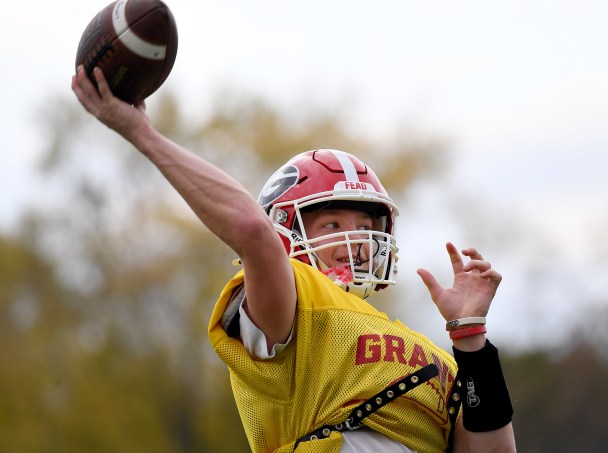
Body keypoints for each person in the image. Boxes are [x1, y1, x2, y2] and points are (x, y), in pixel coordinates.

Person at [72, 65, 517, 453]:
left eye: (365, 224)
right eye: (332, 225)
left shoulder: (444, 360)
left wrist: (471, 338)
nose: (355, 240)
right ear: (284, 229)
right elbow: (250, 230)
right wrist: (142, 134)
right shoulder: (293, 305)